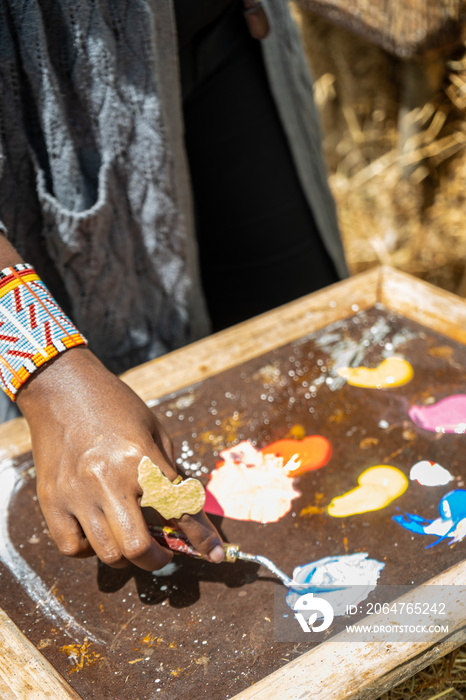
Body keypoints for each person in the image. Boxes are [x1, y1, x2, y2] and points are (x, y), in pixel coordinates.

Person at [0, 1, 347, 573]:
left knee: (316, 376)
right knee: (115, 511)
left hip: (226, 36)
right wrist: (47, 372)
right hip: (39, 105)